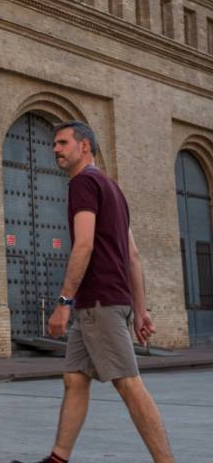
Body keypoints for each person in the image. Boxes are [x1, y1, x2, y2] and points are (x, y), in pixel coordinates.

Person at [13, 122, 174, 463]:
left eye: (62, 142)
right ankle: (58, 458)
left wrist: (63, 303)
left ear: (84, 146)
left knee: (129, 384)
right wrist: (140, 311)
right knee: (75, 378)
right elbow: (132, 255)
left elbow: (83, 245)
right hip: (107, 302)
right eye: (54, 143)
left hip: (98, 303)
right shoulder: (113, 188)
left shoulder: (83, 183)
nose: (55, 149)